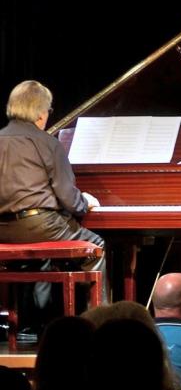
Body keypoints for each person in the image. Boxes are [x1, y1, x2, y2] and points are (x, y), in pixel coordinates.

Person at [0, 80, 106, 333]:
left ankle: (29, 325)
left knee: (41, 258)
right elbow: (69, 198)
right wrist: (85, 202)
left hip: (3, 230)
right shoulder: (47, 143)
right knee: (95, 245)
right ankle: (99, 323)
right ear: (40, 113)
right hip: (40, 226)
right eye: (48, 110)